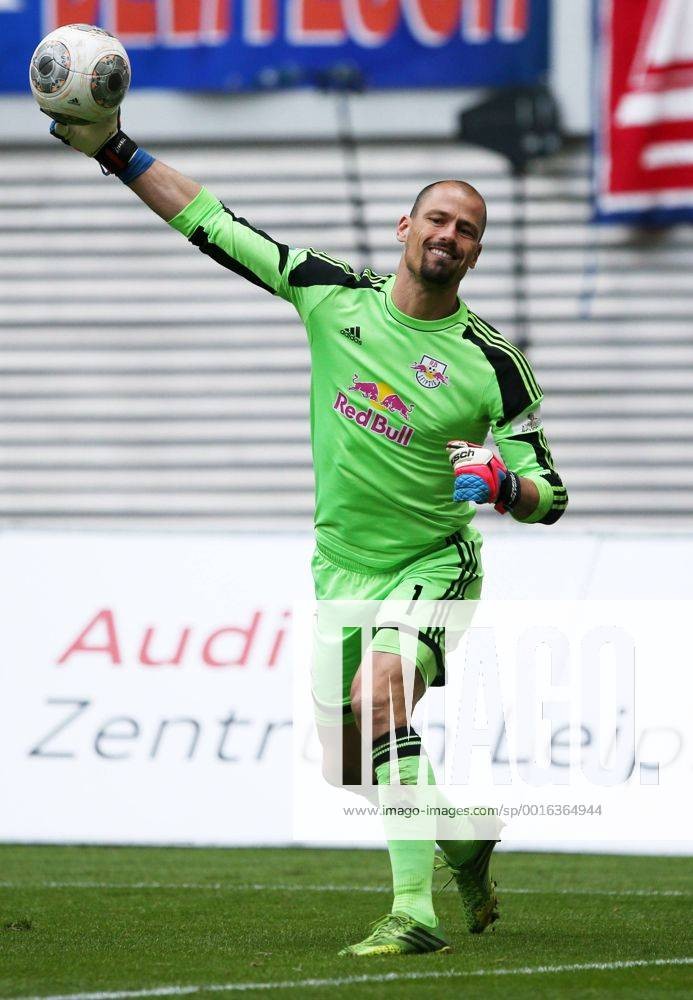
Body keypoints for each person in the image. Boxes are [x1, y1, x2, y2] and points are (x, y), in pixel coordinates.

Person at [48, 111, 568, 956]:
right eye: (437, 219)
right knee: (351, 760)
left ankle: (413, 914)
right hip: (341, 571)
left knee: (380, 695)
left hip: (434, 564)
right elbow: (212, 224)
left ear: (476, 253)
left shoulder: (492, 363)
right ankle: (465, 841)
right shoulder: (330, 292)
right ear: (406, 228)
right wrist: (114, 148)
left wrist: (509, 484)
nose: (449, 236)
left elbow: (551, 491)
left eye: (467, 230)